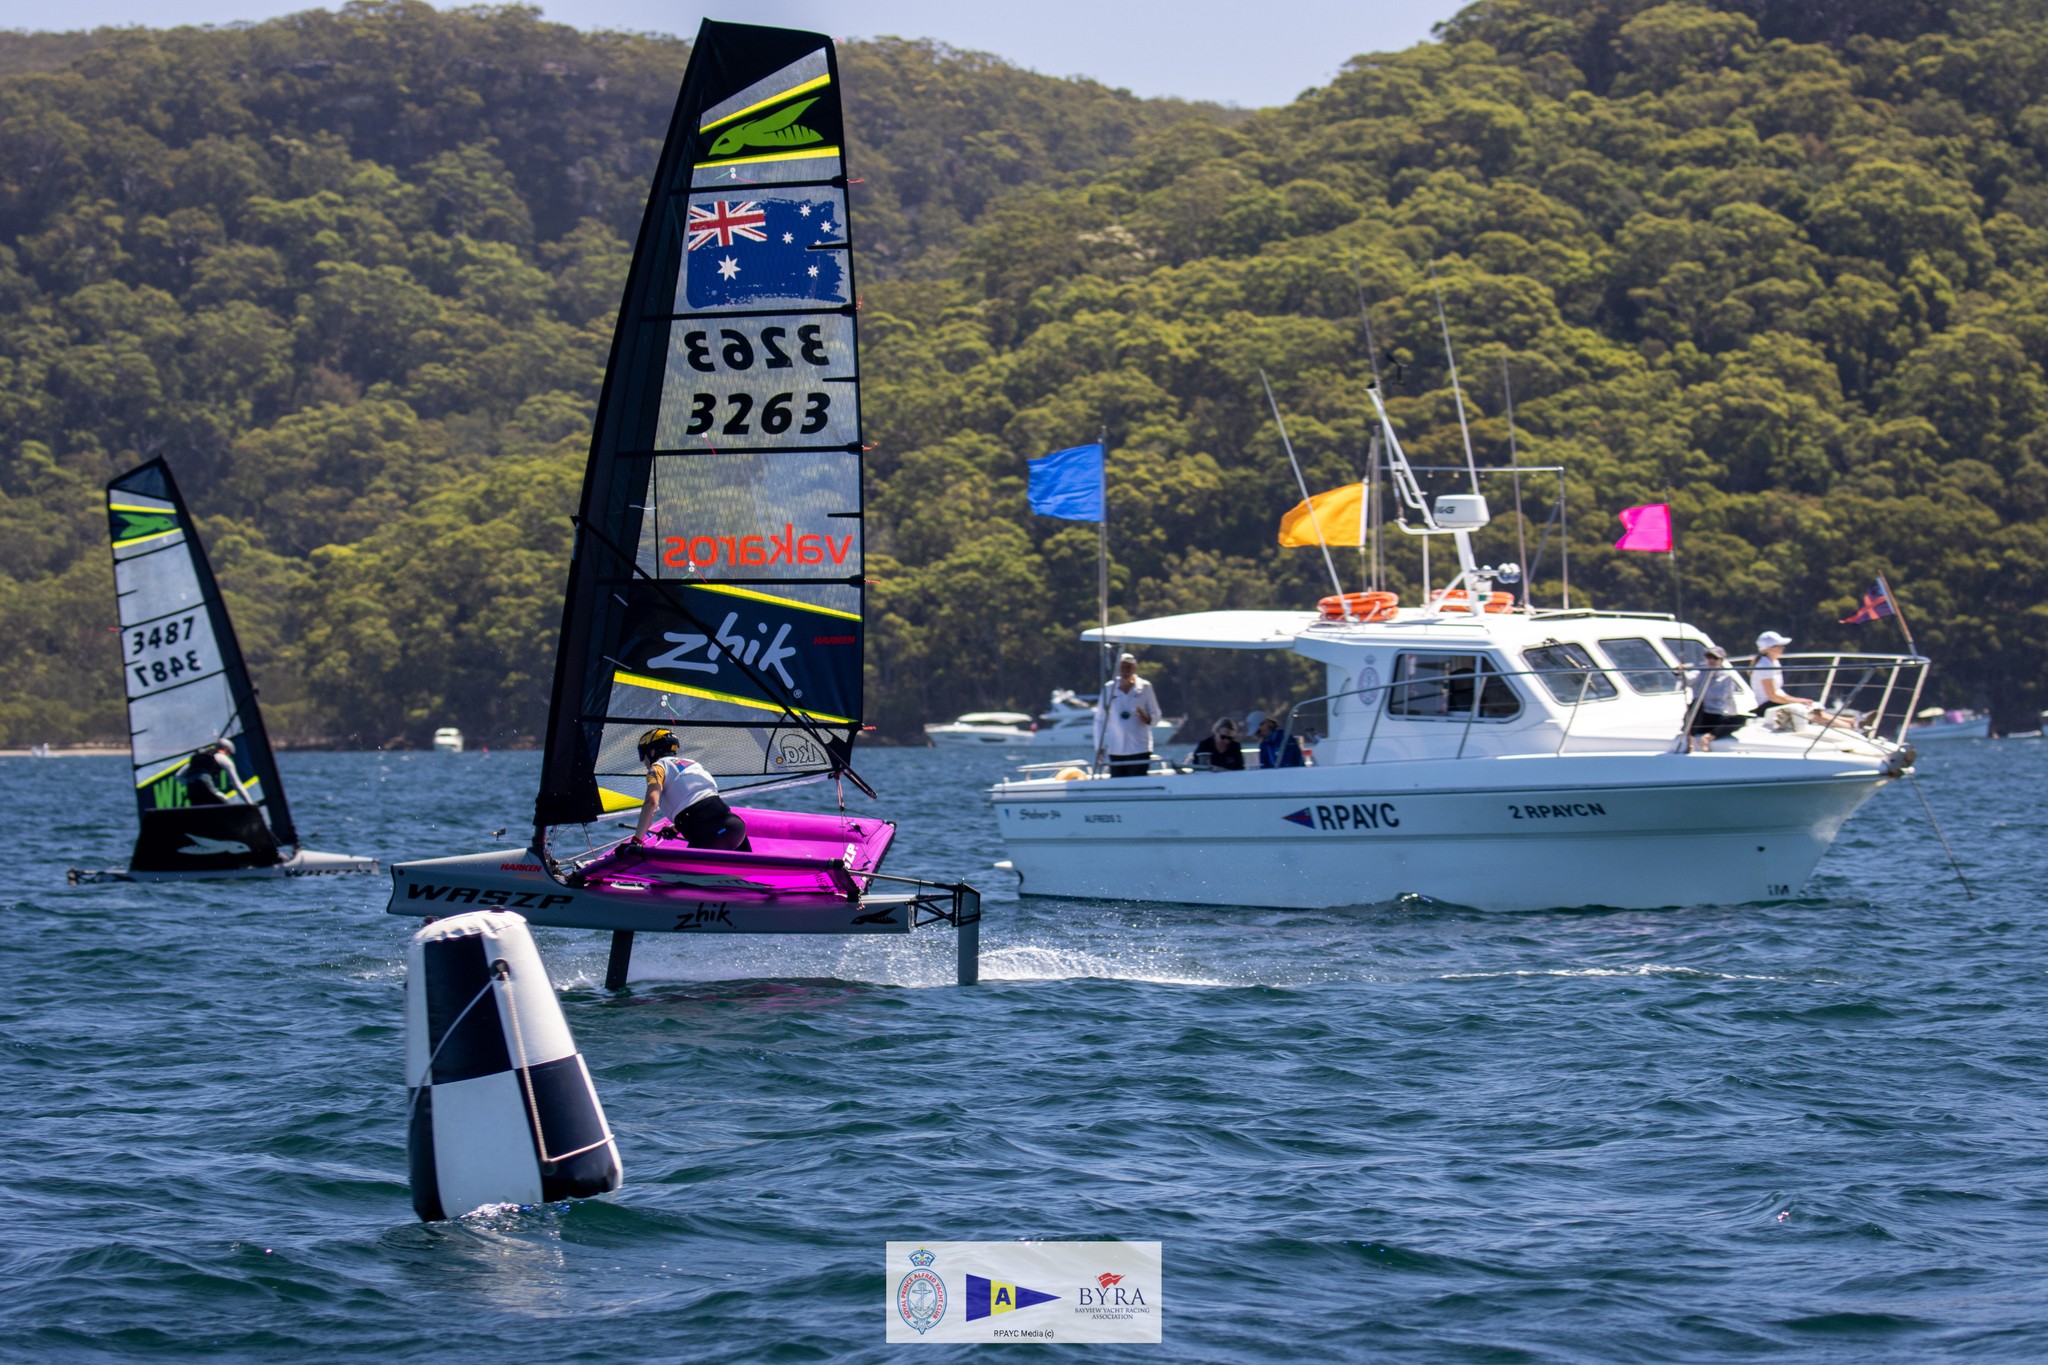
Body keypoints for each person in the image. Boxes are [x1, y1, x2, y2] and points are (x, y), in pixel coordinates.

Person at [630, 727, 751, 851]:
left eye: (643, 754)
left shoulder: (657, 768)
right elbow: (699, 802)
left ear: (652, 752)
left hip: (712, 835)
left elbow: (651, 803)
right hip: (736, 828)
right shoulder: (691, 763)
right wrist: (676, 828)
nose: (643, 761)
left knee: (680, 864)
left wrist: (636, 841)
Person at [1094, 652, 1160, 778]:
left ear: (1135, 669)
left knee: (1138, 781)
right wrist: (1100, 747)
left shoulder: (1145, 687)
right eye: (1122, 667)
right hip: (1116, 748)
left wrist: (1148, 719)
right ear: (1118, 669)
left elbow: (1156, 714)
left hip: (1140, 748)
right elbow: (1099, 719)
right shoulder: (1109, 688)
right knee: (1118, 783)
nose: (1125, 670)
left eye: (1128, 667)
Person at [1687, 645, 1752, 751]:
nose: (1711, 660)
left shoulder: (1727, 676)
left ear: (1721, 661)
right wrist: (1679, 672)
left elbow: (1729, 698)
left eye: (1715, 658)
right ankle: (1690, 741)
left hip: (1717, 715)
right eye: (1709, 657)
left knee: (1741, 719)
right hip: (1700, 717)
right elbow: (1686, 679)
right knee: (1696, 703)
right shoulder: (1699, 673)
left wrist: (1732, 715)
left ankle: (1708, 738)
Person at [1750, 631, 1826, 718]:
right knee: (1813, 713)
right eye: (1779, 646)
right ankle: (1839, 724)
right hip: (1767, 707)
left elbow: (1778, 693)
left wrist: (1800, 700)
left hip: (1775, 703)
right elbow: (1772, 697)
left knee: (1816, 711)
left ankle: (1840, 723)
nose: (1783, 648)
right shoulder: (1764, 665)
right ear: (1770, 648)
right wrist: (1799, 701)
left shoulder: (1774, 662)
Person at [179, 738, 252, 806]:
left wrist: (191, 782)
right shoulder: (222, 757)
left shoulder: (201, 756)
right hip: (205, 785)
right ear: (226, 750)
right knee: (226, 806)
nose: (229, 757)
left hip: (191, 789)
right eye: (230, 755)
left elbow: (178, 775)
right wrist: (249, 803)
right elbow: (237, 785)